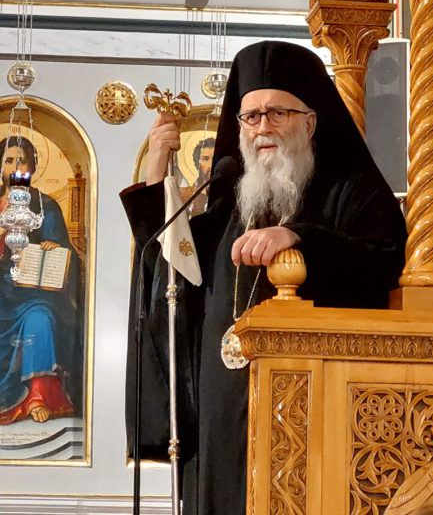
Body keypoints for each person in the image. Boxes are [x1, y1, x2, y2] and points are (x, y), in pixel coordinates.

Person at [120, 41, 407, 515]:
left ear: (310, 122)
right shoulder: (232, 200)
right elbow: (173, 270)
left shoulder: (352, 190)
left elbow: (383, 262)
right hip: (221, 410)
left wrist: (300, 238)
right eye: (250, 117)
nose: (262, 128)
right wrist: (156, 169)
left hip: (311, 410)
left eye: (277, 113)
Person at [0, 137, 83, 424]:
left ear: (33, 167)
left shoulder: (45, 206)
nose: (16, 167)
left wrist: (55, 250)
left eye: (22, 160)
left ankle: (39, 396)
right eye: (9, 161)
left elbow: (68, 256)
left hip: (35, 295)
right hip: (1, 294)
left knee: (40, 321)